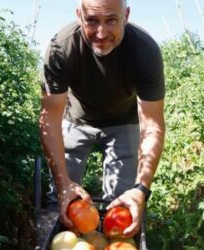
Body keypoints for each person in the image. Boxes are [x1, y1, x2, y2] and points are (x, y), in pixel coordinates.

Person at [39, 0, 165, 237]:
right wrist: (63, 183)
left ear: (126, 16)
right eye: (92, 20)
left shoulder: (144, 51)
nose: (101, 33)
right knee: (62, 201)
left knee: (121, 204)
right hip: (75, 119)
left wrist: (141, 190)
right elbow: (50, 118)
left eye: (111, 20)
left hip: (123, 122)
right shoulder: (62, 47)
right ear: (79, 15)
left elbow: (152, 123)